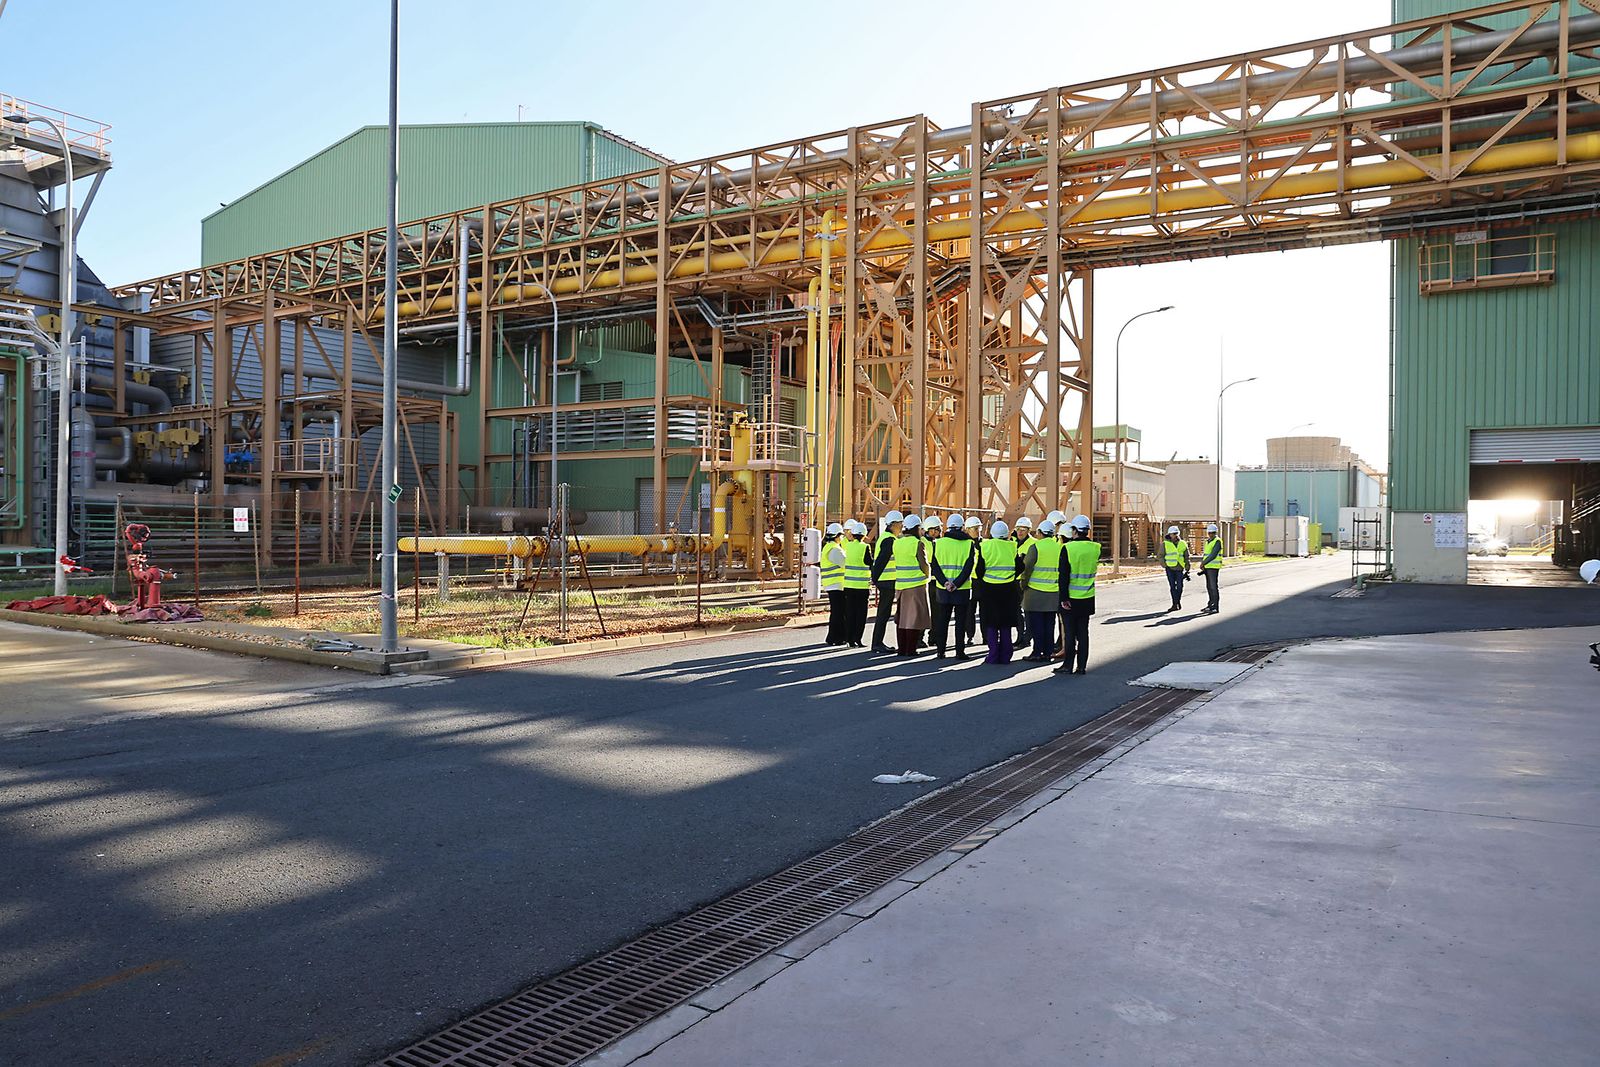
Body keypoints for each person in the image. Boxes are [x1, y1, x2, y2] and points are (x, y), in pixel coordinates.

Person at [1055, 514, 1100, 676]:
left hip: (1071, 599)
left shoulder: (1067, 548)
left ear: (1074, 531)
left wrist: (1063, 598)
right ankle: (1081, 666)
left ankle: (1067, 665)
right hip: (1087, 598)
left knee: (1069, 633)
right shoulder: (1096, 548)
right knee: (1083, 633)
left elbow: (1063, 576)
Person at [931, 513, 977, 660]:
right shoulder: (969, 544)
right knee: (960, 621)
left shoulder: (937, 543)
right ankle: (959, 651)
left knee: (942, 620)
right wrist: (956, 584)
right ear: (962, 526)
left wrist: (945, 582)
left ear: (948, 527)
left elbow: (935, 566)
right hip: (961, 589)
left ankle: (940, 651)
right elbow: (968, 567)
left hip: (943, 588)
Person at [1019, 518, 1063, 661]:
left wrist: (1023, 585)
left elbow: (1027, 569)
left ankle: (1037, 652)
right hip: (1053, 592)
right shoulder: (1060, 548)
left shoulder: (1035, 548)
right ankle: (1049, 652)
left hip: (1035, 593)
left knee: (1036, 624)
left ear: (1039, 532)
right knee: (1050, 624)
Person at [977, 519, 1019, 664]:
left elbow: (979, 569)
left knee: (991, 623)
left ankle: (993, 655)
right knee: (1005, 623)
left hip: (990, 589)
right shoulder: (1012, 546)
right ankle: (1006, 656)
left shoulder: (985, 546)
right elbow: (1020, 566)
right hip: (1008, 589)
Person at [892, 514, 931, 655]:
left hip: (901, 585)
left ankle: (902, 649)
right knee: (913, 620)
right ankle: (911, 649)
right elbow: (924, 565)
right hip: (916, 585)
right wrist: (927, 576)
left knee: (902, 619)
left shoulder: (897, 542)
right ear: (916, 528)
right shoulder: (917, 543)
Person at [869, 510, 903, 654]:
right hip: (887, 581)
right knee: (883, 613)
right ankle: (877, 643)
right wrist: (875, 578)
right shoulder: (890, 540)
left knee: (884, 612)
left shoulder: (885, 537)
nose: (901, 527)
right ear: (894, 524)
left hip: (885, 580)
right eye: (900, 524)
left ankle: (877, 642)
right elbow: (882, 561)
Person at [840, 520, 872, 646]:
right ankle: (857, 638)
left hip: (848, 585)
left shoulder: (847, 546)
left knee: (850, 613)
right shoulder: (865, 547)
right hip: (862, 586)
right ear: (864, 535)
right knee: (860, 614)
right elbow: (869, 562)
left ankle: (849, 639)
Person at [821, 522, 846, 644]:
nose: (842, 538)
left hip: (831, 584)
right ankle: (835, 637)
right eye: (841, 536)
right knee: (838, 612)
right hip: (837, 584)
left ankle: (834, 637)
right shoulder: (835, 549)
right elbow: (845, 563)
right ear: (837, 536)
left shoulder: (827, 547)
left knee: (836, 612)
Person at [962, 515, 984, 645]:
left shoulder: (985, 543)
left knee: (984, 611)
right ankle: (969, 636)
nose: (977, 531)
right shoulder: (964, 544)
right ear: (968, 529)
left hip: (982, 581)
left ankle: (986, 636)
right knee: (969, 611)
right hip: (970, 580)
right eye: (974, 528)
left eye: (979, 528)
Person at [1012, 516, 1034, 646]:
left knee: (1027, 611)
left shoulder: (1033, 544)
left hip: (1027, 581)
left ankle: (1027, 637)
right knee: (1016, 610)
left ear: (1029, 530)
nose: (1020, 532)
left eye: (1023, 529)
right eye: (1018, 529)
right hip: (1014, 581)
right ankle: (1020, 635)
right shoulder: (1012, 542)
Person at [1163, 525, 1191, 612]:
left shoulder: (1183, 543)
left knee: (1179, 586)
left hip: (1179, 568)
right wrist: (1165, 565)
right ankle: (1175, 604)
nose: (1174, 535)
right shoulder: (1165, 544)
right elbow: (1160, 555)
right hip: (1170, 568)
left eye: (1175, 534)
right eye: (1172, 534)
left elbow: (1187, 556)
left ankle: (1177, 602)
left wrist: (1187, 567)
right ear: (1169, 535)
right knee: (1172, 586)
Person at [1198, 522, 1224, 614]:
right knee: (1209, 587)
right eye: (1209, 532)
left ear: (1215, 533)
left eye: (1212, 533)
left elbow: (1213, 555)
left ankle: (1215, 606)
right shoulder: (1208, 541)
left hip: (1213, 567)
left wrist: (1203, 563)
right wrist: (1204, 564)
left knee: (1213, 586)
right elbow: (1206, 554)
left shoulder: (1217, 541)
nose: (1210, 534)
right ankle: (1210, 604)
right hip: (1207, 567)